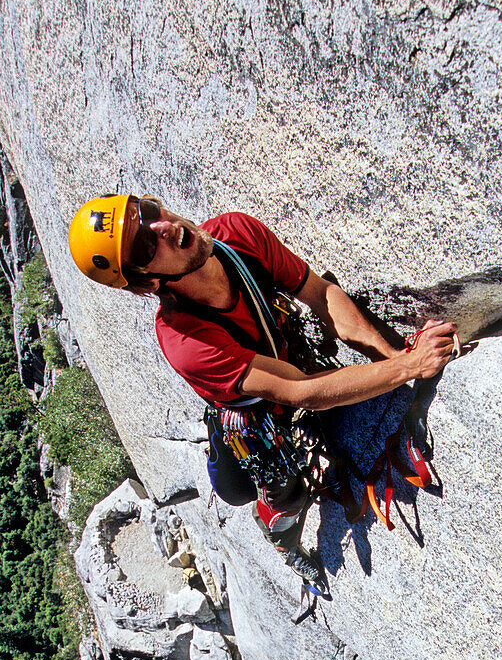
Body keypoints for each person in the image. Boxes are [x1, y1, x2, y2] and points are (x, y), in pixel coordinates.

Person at [68, 194, 456, 591]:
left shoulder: (237, 234)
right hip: (260, 415)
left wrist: (391, 355)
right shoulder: (186, 340)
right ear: (148, 282)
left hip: (286, 357)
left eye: (147, 212)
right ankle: (282, 540)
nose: (162, 227)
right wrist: (408, 367)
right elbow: (300, 391)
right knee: (286, 492)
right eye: (146, 246)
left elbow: (319, 294)